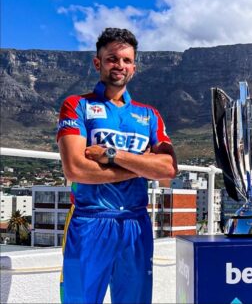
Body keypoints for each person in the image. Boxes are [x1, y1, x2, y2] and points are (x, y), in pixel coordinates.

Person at [57, 28, 177, 303]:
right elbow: (75, 169)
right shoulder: (77, 105)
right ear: (97, 62)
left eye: (126, 60)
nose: (119, 65)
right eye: (112, 59)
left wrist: (112, 154)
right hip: (89, 221)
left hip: (136, 224)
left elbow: (169, 169)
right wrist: (143, 165)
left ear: (134, 67)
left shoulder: (149, 115)